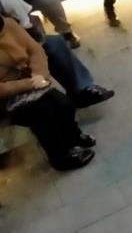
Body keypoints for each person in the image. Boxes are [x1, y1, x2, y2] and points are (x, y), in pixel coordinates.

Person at [0, 14, 97, 171]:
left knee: (62, 103)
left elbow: (35, 49)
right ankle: (60, 158)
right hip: (6, 98)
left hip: (31, 81)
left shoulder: (8, 24)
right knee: (41, 112)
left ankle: (73, 138)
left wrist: (40, 74)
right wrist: (30, 83)